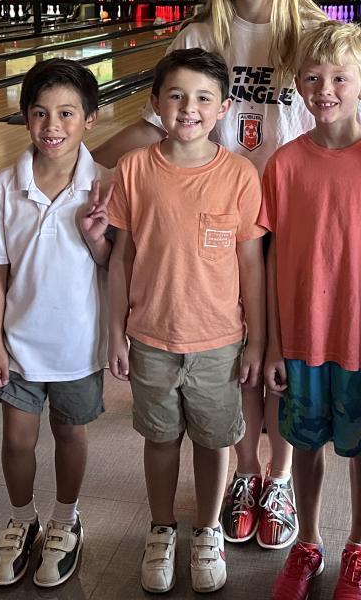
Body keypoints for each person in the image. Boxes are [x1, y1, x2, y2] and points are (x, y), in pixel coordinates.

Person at [95, 0, 361, 554]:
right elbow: (151, 127)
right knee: (239, 363)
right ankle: (245, 472)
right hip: (217, 225)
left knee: (282, 362)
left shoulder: (314, 35)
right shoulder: (198, 36)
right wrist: (78, 165)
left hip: (295, 222)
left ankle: (277, 476)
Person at [260, 21, 361, 600]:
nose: (324, 90)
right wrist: (273, 345)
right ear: (298, 82)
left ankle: (360, 545)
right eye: (312, 78)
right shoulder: (284, 164)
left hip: (359, 344)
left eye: (339, 79)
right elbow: (272, 260)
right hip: (300, 342)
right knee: (304, 446)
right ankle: (308, 542)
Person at [106, 48, 265, 595]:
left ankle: (208, 528)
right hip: (150, 336)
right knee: (160, 438)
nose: (188, 108)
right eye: (176, 96)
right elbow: (122, 257)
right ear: (156, 103)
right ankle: (161, 528)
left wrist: (257, 341)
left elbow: (251, 263)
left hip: (219, 340)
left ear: (223, 107)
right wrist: (115, 332)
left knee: (214, 440)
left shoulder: (239, 174)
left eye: (202, 98)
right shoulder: (134, 169)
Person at [0, 58, 113, 588]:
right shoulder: (4, 186)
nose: (52, 126)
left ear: (90, 118)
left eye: (66, 113)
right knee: (17, 439)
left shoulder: (103, 185)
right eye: (40, 113)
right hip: (18, 342)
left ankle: (65, 518)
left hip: (80, 343)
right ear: (25, 117)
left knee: (69, 433)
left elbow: (115, 265)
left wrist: (95, 237)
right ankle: (21, 519)